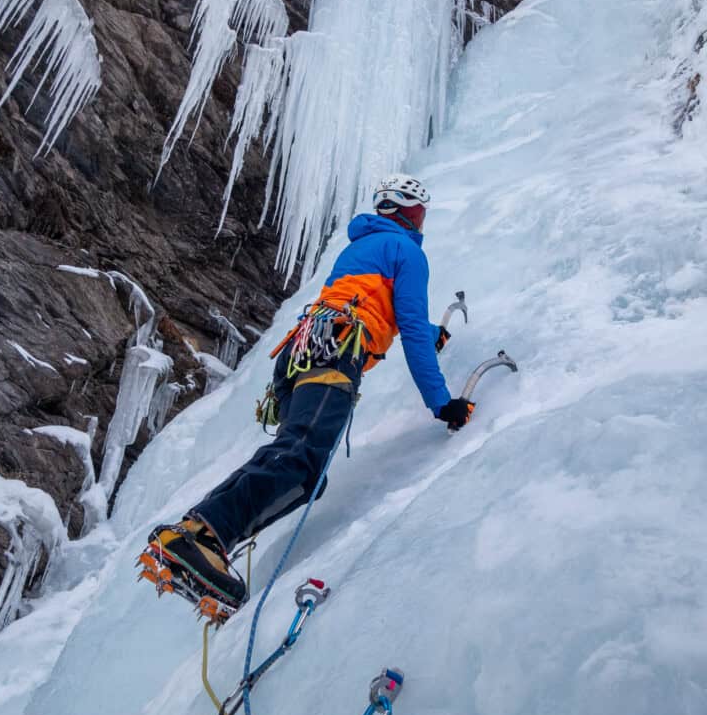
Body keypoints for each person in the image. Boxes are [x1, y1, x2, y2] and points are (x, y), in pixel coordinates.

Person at [146, 174, 474, 610]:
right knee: (300, 456)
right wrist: (444, 404)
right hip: (335, 353)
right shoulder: (406, 252)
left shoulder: (360, 247)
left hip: (303, 356)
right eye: (419, 211)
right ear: (406, 210)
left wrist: (431, 332)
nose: (422, 221)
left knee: (305, 476)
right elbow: (409, 328)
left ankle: (206, 543)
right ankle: (201, 534)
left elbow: (376, 308)